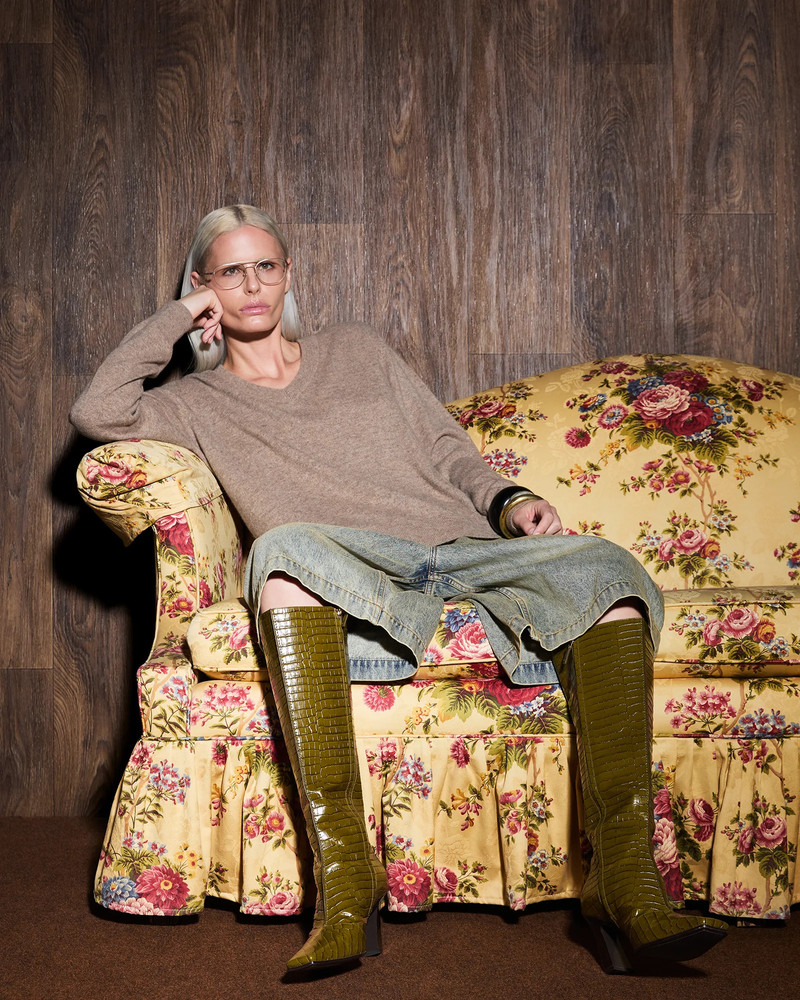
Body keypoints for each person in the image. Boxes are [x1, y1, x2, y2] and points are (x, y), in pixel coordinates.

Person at [70, 204, 728, 974]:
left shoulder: (357, 350)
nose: (252, 286)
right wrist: (181, 315)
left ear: (287, 275)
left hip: (463, 550)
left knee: (607, 571)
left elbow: (446, 448)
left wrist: (509, 502)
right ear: (203, 283)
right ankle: (348, 886)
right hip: (352, 567)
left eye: (267, 267)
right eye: (230, 273)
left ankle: (627, 885)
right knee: (278, 552)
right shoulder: (195, 404)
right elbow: (98, 411)